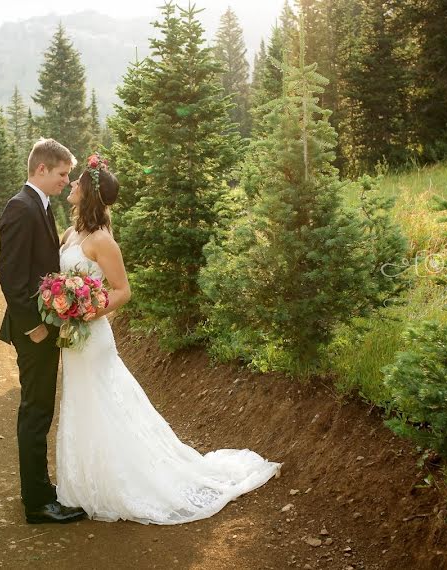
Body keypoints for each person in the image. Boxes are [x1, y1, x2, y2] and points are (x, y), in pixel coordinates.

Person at [55, 153, 281, 524]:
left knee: (104, 404)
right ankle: (85, 484)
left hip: (93, 337)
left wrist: (86, 312)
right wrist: (62, 305)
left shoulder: (101, 240)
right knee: (81, 403)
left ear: (88, 194)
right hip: (73, 340)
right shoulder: (70, 234)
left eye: (77, 182)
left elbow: (123, 290)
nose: (72, 186)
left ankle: (122, 481)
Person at [0, 138, 87, 524]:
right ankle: (36, 503)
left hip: (45, 328)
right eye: (63, 174)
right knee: (35, 411)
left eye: (69, 175)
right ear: (41, 170)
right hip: (33, 331)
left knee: (41, 409)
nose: (67, 182)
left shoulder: (41, 205)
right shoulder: (21, 208)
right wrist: (33, 327)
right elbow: (11, 276)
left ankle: (40, 487)